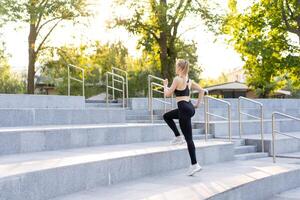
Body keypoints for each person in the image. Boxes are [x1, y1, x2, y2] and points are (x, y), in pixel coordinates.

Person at [163, 59, 205, 176]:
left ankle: (195, 164)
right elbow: (202, 90)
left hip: (183, 108)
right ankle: (178, 136)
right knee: (167, 116)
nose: (175, 68)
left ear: (180, 68)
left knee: (189, 139)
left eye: (176, 66)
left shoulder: (177, 79)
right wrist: (197, 104)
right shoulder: (189, 80)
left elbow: (167, 94)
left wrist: (165, 85)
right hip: (189, 107)